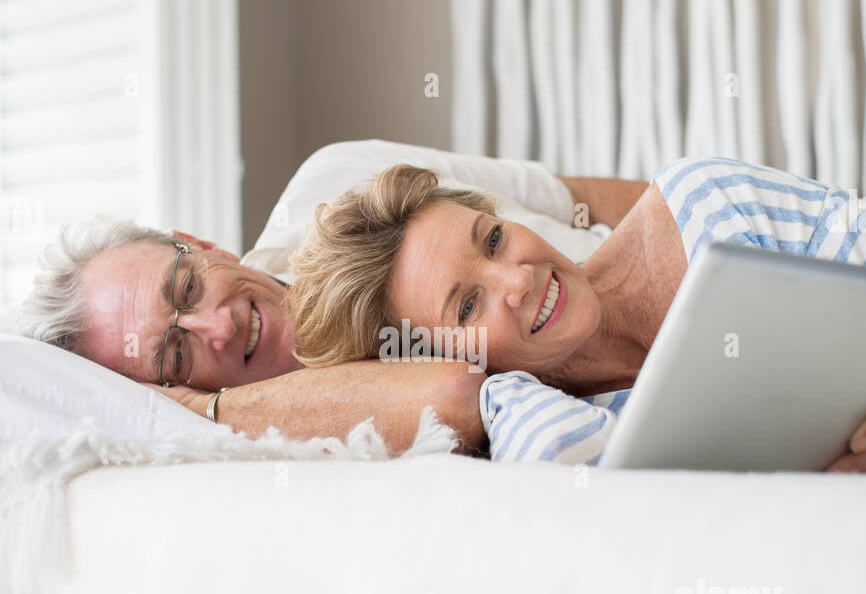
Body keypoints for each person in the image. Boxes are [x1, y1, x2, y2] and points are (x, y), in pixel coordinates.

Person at [16, 140, 637, 454]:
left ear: (202, 245)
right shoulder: (304, 440)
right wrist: (206, 414)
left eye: (186, 288)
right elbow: (454, 394)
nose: (217, 326)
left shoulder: (336, 178)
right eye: (176, 355)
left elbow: (582, 199)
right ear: (167, 392)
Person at [287, 155, 866, 472]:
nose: (519, 279)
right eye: (467, 305)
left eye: (492, 240)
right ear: (433, 361)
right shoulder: (537, 421)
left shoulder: (704, 203)